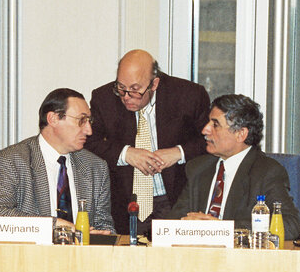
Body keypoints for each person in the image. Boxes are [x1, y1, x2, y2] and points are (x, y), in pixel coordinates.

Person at [86, 49, 210, 235]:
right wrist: (126, 154)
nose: (126, 96)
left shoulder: (188, 95)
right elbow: (88, 141)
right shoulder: (104, 99)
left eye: (135, 90)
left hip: (176, 199)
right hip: (126, 202)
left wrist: (178, 152)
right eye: (120, 87)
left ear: (154, 83)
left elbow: (210, 141)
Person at [168, 94, 300, 239]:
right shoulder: (198, 168)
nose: (205, 130)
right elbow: (174, 220)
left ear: (240, 134)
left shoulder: (267, 172)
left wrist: (224, 229)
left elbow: (290, 225)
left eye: (215, 124)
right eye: (208, 122)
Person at [0, 88, 115, 233]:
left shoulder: (96, 167)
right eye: (81, 120)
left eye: (90, 121)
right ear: (53, 119)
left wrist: (101, 236)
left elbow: (104, 225)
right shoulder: (12, 160)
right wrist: (55, 224)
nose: (89, 130)